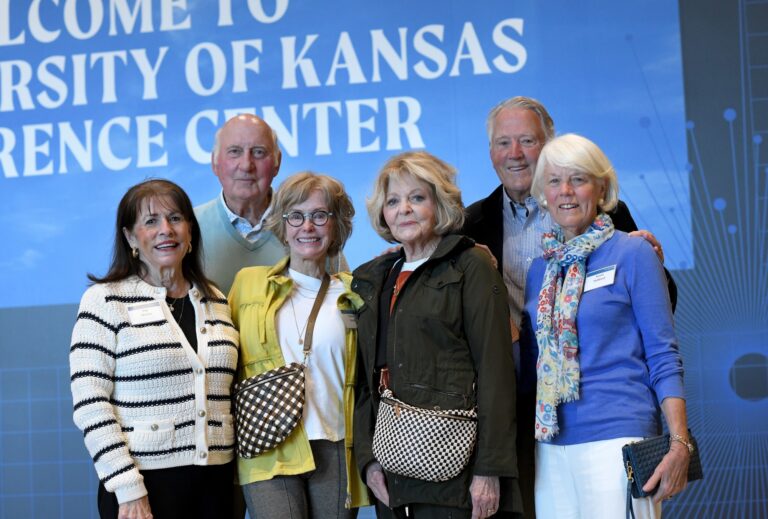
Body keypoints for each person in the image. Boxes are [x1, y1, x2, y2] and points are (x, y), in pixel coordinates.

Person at [462, 96, 678, 518]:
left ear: (549, 143)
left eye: (527, 140)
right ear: (490, 154)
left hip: (611, 413)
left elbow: (657, 310)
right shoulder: (469, 225)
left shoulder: (610, 217)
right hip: (523, 412)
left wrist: (652, 262)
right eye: (504, 142)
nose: (516, 153)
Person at [521, 134, 690, 518]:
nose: (565, 191)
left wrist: (679, 442)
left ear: (601, 187)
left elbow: (663, 354)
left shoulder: (634, 253)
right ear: (542, 193)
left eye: (578, 179)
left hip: (619, 438)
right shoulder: (539, 271)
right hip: (550, 447)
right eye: (554, 181)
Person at [353, 151, 523, 519]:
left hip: (457, 475)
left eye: (417, 198)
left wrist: (489, 470)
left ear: (440, 203)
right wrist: (367, 461)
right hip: (391, 472)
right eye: (393, 201)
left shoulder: (471, 265)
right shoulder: (371, 278)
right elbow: (364, 382)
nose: (404, 210)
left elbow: (496, 372)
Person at [70, 179, 239, 518]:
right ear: (131, 238)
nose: (166, 230)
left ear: (190, 231)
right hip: (144, 485)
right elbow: (91, 402)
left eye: (176, 218)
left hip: (218, 484)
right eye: (151, 221)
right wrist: (127, 486)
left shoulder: (215, 300)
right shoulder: (105, 300)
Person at [228, 172, 369, 518]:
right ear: (283, 224)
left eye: (320, 215)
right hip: (268, 446)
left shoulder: (357, 292)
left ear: (336, 225)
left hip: (336, 444)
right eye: (296, 215)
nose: (308, 226)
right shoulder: (248, 286)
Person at [195, 114, 346, 295]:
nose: (246, 165)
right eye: (234, 151)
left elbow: (344, 301)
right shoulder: (189, 228)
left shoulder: (311, 228)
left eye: (258, 152)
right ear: (214, 162)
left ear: (277, 162)